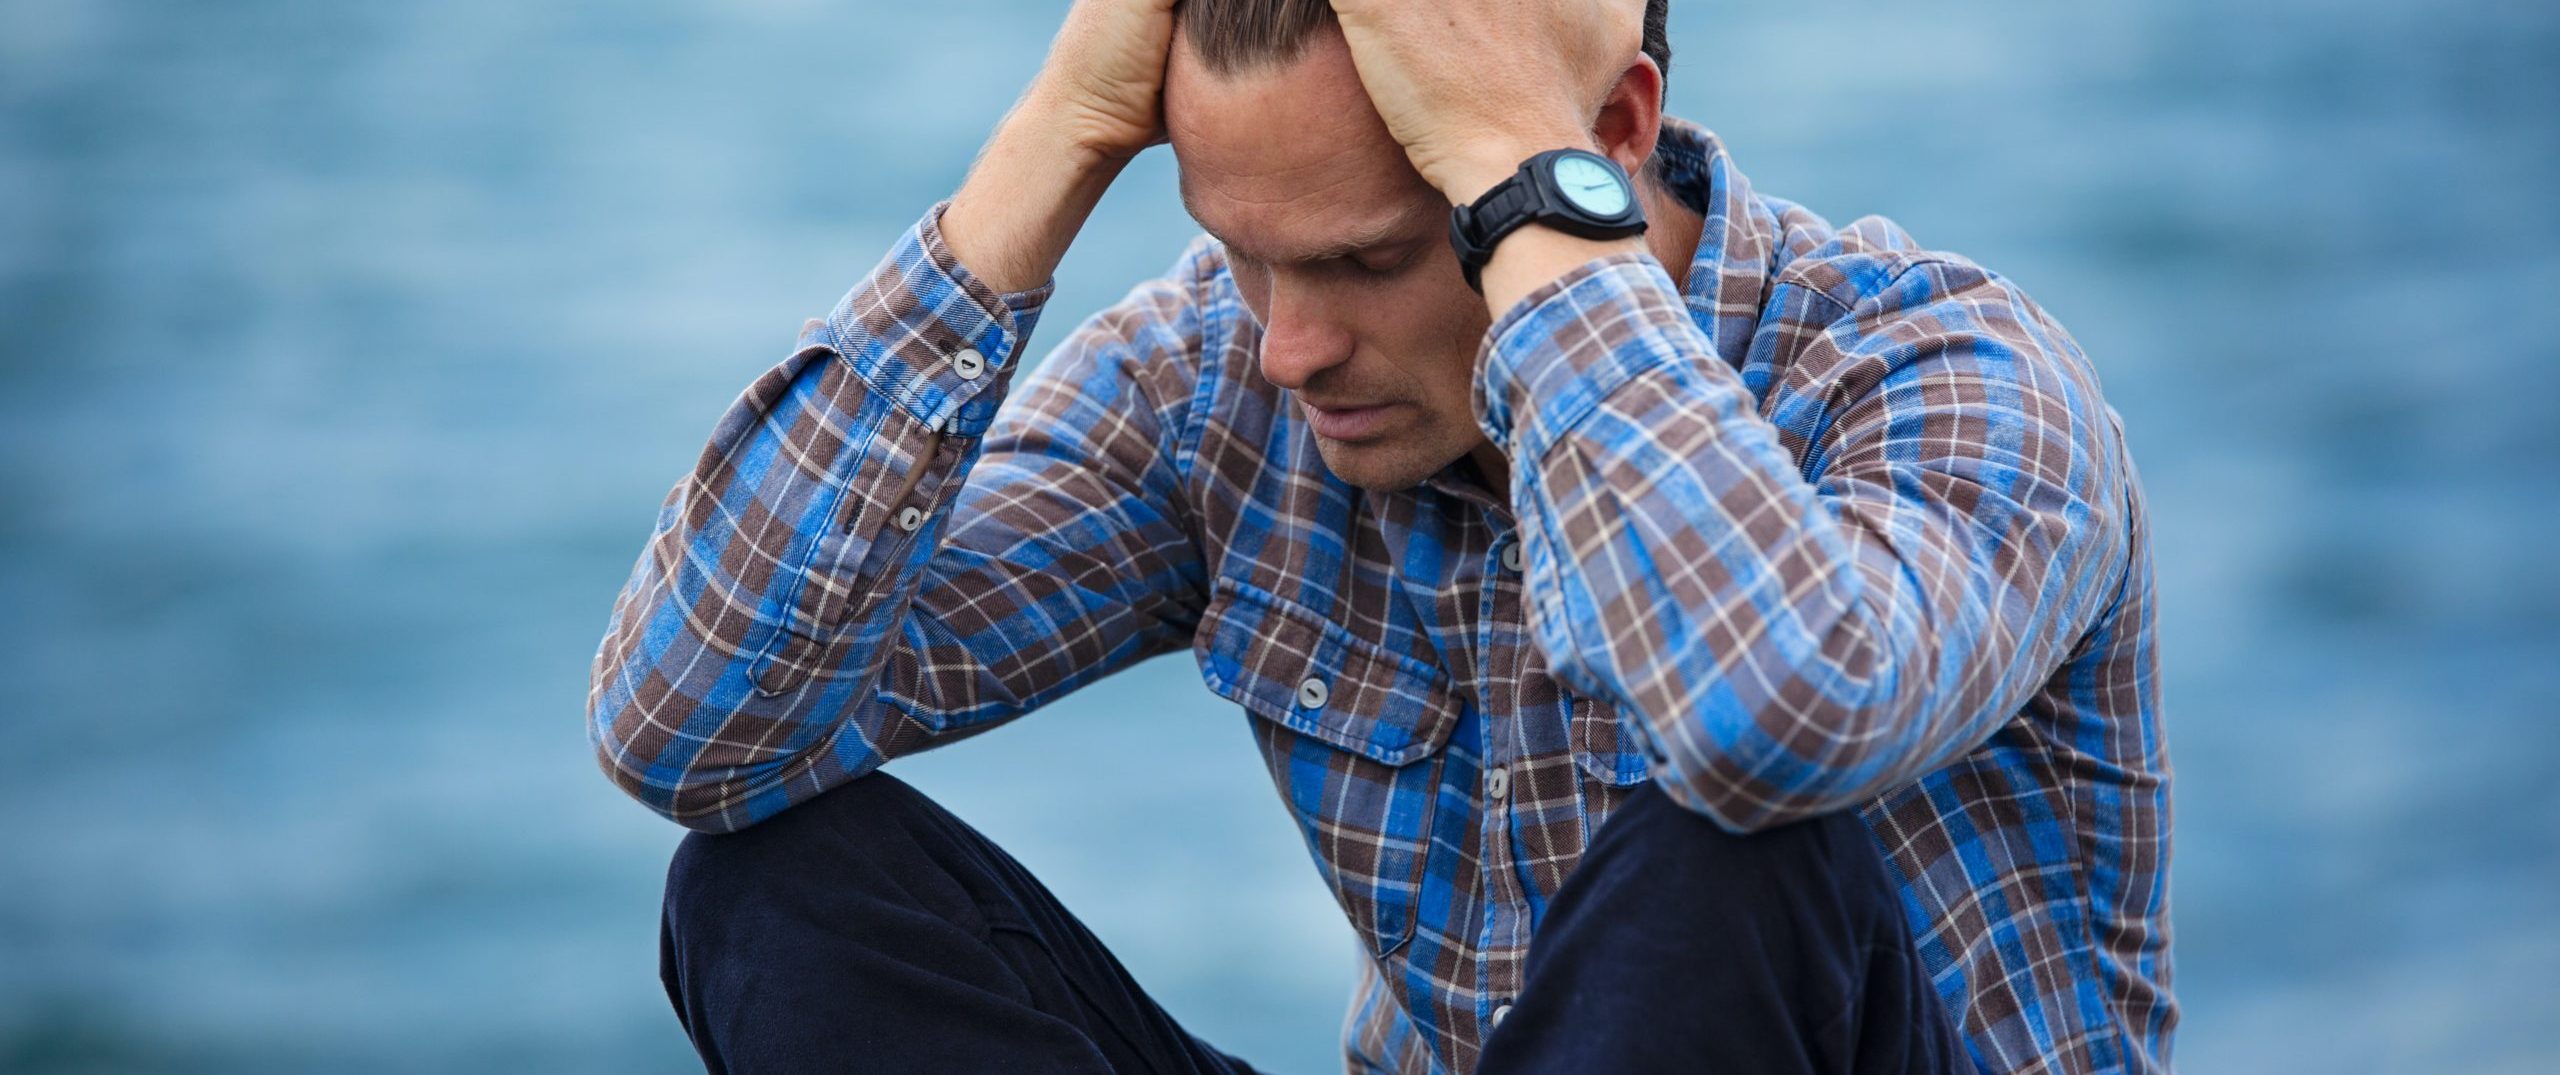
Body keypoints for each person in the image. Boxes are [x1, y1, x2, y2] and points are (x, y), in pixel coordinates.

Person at [585, 0, 2175, 1070]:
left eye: (1365, 259)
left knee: (1730, 847)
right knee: (766, 884)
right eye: (1243, 255)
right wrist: (1058, 135)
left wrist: (1517, 193)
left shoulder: (1947, 379)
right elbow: (693, 732)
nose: (1288, 345)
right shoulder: (1224, 375)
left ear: (1611, 137)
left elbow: (1770, 719)